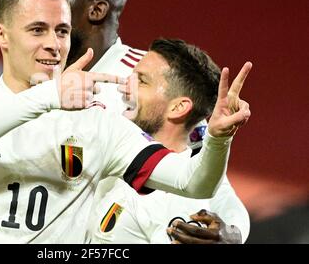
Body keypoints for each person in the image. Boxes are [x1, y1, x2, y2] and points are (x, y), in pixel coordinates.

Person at [0, 0, 250, 243]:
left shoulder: (99, 124)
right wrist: (48, 96)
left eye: (62, 31)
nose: (53, 43)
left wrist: (218, 139)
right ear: (1, 35)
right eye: (37, 30)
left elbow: (193, 182)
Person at [45, 0, 249, 243]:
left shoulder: (152, 82)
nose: (39, 6)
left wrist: (233, 232)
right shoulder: (35, 70)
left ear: (96, 10)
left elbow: (206, 176)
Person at [87, 39, 251, 244]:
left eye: (141, 81)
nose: (124, 89)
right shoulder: (127, 155)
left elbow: (219, 193)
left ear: (178, 108)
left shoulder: (178, 201)